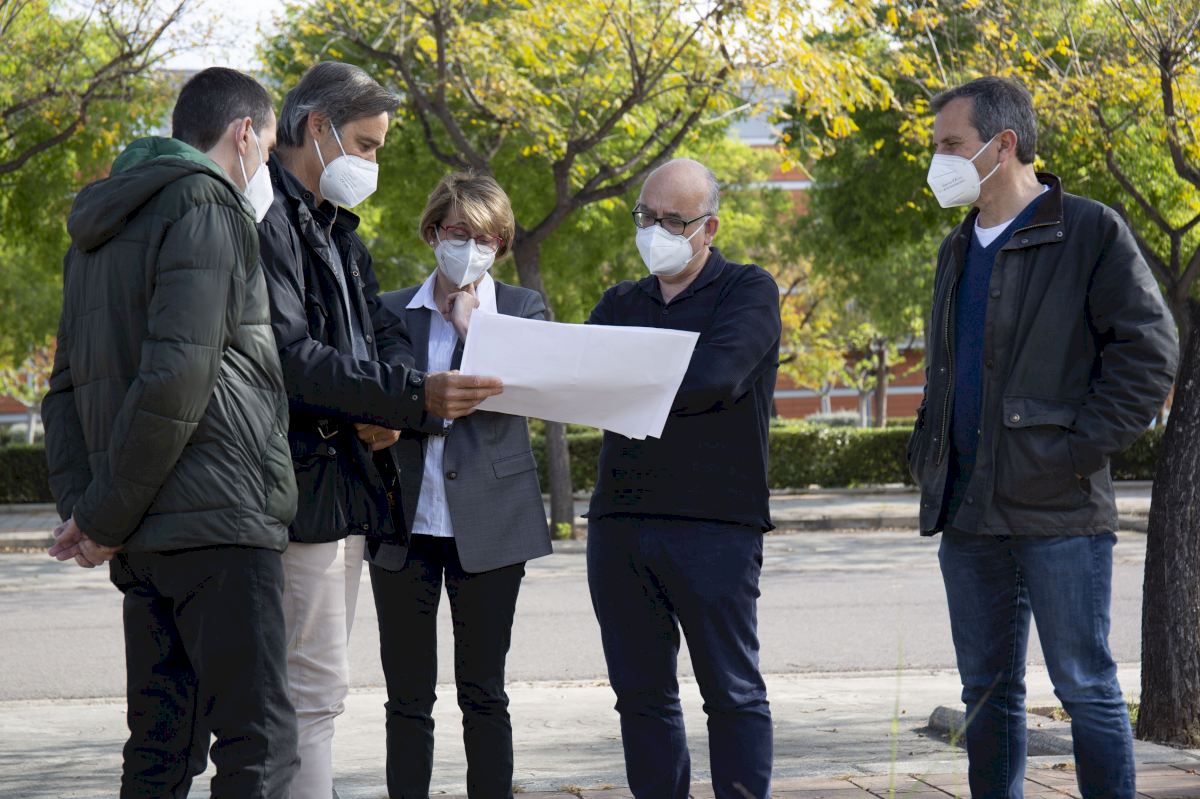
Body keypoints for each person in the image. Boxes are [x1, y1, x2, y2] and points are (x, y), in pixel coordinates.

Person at [908, 76, 1178, 799]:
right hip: (967, 510)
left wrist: (1078, 452)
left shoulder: (1089, 230)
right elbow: (947, 370)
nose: (939, 161)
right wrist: (928, 451)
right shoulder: (956, 247)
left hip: (1060, 505)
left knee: (1086, 686)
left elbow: (1150, 352)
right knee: (985, 693)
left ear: (1003, 145)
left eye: (952, 145)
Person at [43, 67, 299, 798]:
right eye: (268, 147)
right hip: (219, 519)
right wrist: (100, 519)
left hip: (144, 537)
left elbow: (64, 391)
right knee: (258, 744)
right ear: (244, 133)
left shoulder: (98, 227)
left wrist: (91, 512)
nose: (266, 166)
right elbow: (177, 379)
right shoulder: (208, 204)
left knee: (160, 744)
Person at [257, 62, 503, 799]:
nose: (372, 163)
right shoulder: (269, 219)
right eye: (365, 145)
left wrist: (393, 406)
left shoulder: (338, 231)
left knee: (320, 688)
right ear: (316, 128)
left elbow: (383, 333)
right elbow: (293, 357)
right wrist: (412, 396)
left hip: (340, 491)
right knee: (303, 691)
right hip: (298, 486)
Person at [585, 157, 781, 799]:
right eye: (646, 216)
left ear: (709, 227)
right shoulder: (619, 302)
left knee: (732, 691)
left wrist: (626, 379)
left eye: (674, 220)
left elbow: (716, 377)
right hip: (620, 522)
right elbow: (579, 378)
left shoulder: (748, 291)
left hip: (716, 523)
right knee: (640, 696)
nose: (656, 231)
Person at [367, 172, 553, 798]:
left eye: (487, 239)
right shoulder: (391, 310)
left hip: (492, 524)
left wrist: (476, 327)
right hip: (405, 525)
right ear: (432, 233)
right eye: (458, 233)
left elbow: (530, 390)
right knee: (407, 698)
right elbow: (377, 396)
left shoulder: (522, 309)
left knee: (484, 693)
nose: (471, 248)